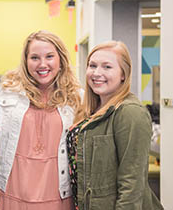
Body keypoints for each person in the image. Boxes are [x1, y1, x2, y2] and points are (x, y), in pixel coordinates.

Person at [66, 41, 164, 210]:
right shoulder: (90, 110)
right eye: (92, 65)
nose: (97, 73)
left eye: (107, 67)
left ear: (123, 74)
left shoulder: (130, 113)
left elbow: (131, 184)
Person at [0, 30, 83, 210]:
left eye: (49, 56)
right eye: (34, 58)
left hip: (59, 195)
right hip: (12, 193)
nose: (42, 64)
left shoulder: (77, 98)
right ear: (26, 61)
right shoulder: (6, 91)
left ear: (60, 59)